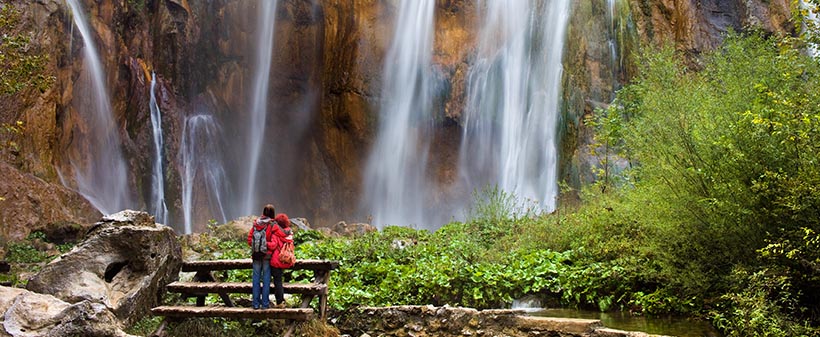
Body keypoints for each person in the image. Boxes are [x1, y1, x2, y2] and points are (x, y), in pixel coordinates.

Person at [247, 204, 275, 309]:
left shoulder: (256, 224)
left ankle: (255, 304)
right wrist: (267, 246)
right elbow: (274, 243)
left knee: (256, 279)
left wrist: (257, 247)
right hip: (267, 256)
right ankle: (265, 304)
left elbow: (249, 240)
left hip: (256, 255)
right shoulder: (272, 225)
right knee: (266, 280)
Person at [269, 212, 294, 308]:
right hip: (285, 260)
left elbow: (273, 245)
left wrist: (266, 244)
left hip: (276, 261)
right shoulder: (289, 234)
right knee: (279, 280)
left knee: (277, 281)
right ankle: (280, 301)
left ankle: (280, 302)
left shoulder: (276, 233)